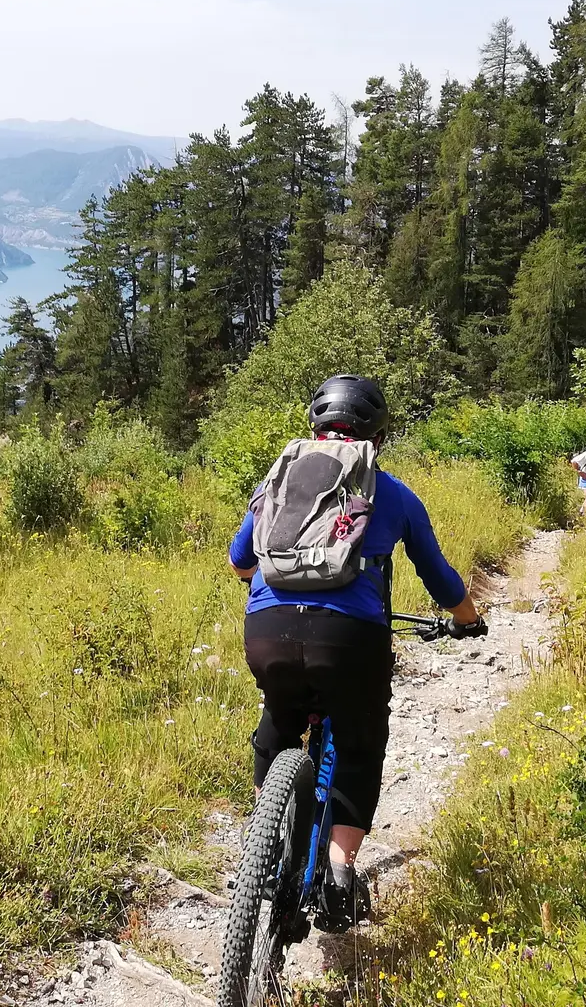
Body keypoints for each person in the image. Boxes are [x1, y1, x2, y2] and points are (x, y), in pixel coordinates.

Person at [229, 374, 487, 930]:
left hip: (266, 629)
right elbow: (440, 579)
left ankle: (260, 839)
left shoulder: (280, 481)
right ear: (378, 434)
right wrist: (468, 621)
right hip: (350, 641)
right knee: (360, 740)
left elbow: (238, 559)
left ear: (315, 427)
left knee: (278, 715)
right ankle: (342, 870)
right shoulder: (391, 493)